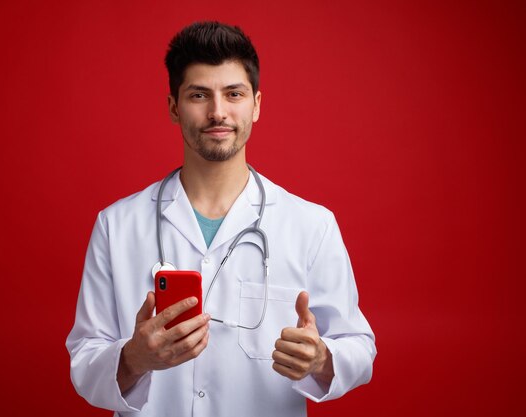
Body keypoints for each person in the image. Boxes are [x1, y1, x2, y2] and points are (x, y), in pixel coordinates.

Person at [66, 21, 376, 417]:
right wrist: (133, 359)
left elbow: (359, 345)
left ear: (257, 105)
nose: (218, 112)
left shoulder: (311, 226)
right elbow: (84, 358)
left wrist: (322, 360)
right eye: (199, 95)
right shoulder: (116, 226)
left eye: (234, 94)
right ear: (174, 107)